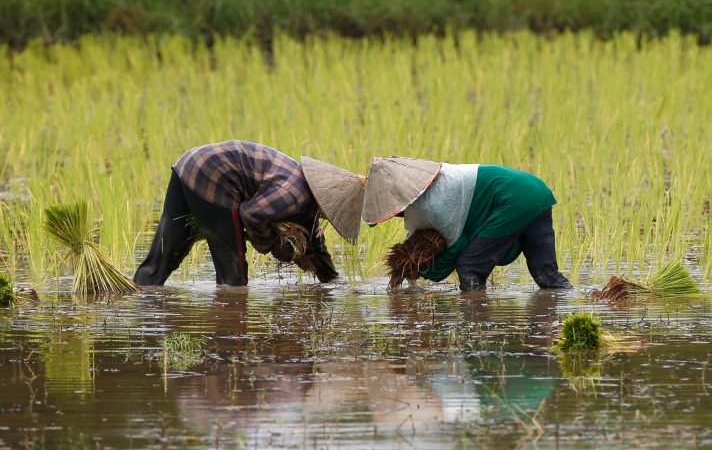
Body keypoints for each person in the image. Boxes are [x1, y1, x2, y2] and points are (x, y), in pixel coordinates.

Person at [133, 140, 366, 286]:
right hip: (215, 176)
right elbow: (252, 214)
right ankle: (230, 329)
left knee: (161, 259)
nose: (328, 217)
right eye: (333, 212)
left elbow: (314, 241)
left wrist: (331, 278)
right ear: (326, 201)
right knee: (233, 274)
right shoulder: (296, 194)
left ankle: (142, 307)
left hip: (189, 163)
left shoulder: (306, 196)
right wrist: (278, 247)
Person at [363, 158, 572, 292]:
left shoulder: (432, 207)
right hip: (536, 190)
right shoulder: (428, 185)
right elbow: (419, 241)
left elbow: (457, 247)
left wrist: (420, 270)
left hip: (511, 199)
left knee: (470, 267)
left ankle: (477, 325)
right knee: (548, 277)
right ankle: (570, 307)